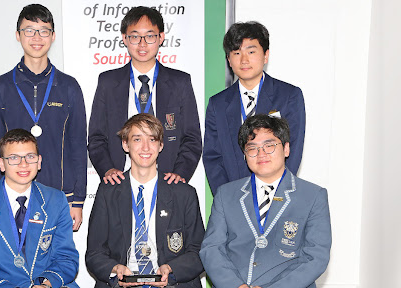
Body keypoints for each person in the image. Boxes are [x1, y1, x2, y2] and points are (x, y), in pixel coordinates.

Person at [0, 4, 86, 231]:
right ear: (18, 35)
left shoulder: (69, 86)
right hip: (14, 196)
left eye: (44, 30)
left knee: (56, 263)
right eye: (29, 30)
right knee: (15, 262)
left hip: (60, 197)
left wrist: (77, 200)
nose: (37, 37)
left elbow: (78, 146)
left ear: (53, 36)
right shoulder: (1, 87)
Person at [200, 114, 331, 288]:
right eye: (252, 148)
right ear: (245, 155)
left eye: (269, 146)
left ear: (286, 149)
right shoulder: (226, 194)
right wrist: (236, 285)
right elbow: (211, 249)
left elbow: (316, 257)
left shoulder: (313, 196)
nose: (261, 154)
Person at [86, 114, 205, 288]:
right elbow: (94, 253)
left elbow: (199, 251)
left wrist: (171, 270)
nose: (145, 147)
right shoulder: (108, 192)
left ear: (161, 145)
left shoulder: (183, 193)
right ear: (125, 144)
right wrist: (115, 269)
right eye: (137, 139)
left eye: (152, 139)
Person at [88, 6, 202, 186]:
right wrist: (108, 169)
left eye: (149, 36)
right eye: (135, 36)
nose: (142, 44)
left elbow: (192, 138)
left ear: (161, 38)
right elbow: (96, 137)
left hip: (168, 181)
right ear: (125, 38)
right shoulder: (107, 82)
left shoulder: (180, 82)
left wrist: (180, 174)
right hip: (120, 182)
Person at [0, 129, 79, 288]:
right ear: (2, 164)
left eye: (30, 157)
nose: (24, 164)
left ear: (39, 161)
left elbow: (67, 258)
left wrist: (46, 284)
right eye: (14, 158)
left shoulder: (56, 200)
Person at [203, 21, 305, 194]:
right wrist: (227, 200)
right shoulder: (217, 104)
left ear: (266, 55)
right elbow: (213, 157)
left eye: (251, 51)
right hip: (234, 198)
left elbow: (293, 149)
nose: (244, 60)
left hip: (276, 196)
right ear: (229, 59)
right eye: (236, 53)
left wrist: (277, 194)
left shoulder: (289, 96)